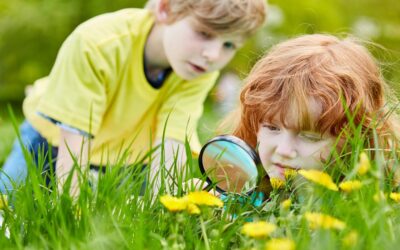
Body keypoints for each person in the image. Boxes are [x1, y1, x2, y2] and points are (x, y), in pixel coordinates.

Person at [0, 0, 268, 196]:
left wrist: (165, 205)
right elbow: (73, 147)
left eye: (229, 45)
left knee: (125, 220)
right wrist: (71, 211)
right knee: (9, 208)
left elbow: (170, 140)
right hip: (52, 141)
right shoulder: (97, 43)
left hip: (125, 157)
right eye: (204, 33)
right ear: (165, 9)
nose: (213, 54)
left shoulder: (199, 68)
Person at [229, 34, 400, 187]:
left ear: (356, 142)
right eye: (272, 128)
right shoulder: (240, 189)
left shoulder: (371, 206)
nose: (283, 150)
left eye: (310, 137)